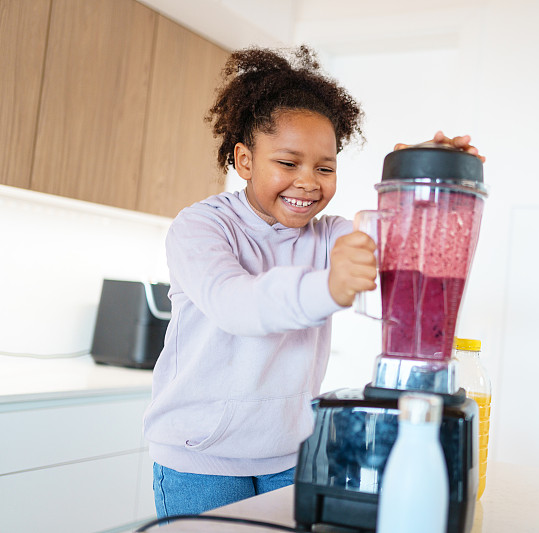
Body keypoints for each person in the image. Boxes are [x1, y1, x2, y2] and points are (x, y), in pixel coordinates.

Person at [142, 45, 482, 519]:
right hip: (199, 460)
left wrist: (423, 178)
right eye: (288, 163)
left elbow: (395, 248)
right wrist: (329, 287)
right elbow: (236, 305)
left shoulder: (332, 233)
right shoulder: (201, 227)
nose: (308, 182)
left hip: (291, 455)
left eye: (324, 168)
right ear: (244, 160)